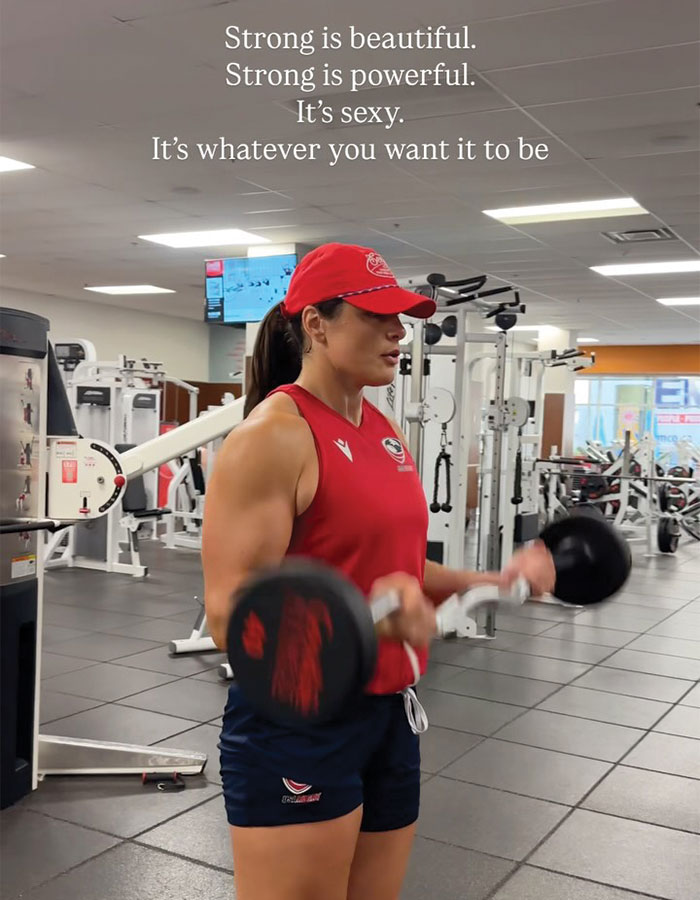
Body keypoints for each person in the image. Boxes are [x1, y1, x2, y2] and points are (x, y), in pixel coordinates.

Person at [202, 243, 555, 900]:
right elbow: (229, 615)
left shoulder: (382, 428)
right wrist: (372, 618)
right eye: (377, 316)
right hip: (298, 724)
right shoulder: (274, 435)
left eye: (402, 317)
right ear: (316, 324)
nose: (399, 331)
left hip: (389, 712)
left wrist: (496, 580)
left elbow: (397, 566)